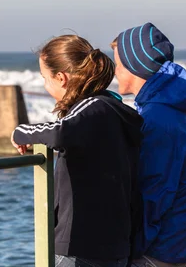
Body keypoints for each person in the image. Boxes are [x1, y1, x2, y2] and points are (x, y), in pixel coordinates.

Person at [10, 35, 143, 267]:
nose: (45, 84)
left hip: (79, 245)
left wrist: (21, 132)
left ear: (61, 78)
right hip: (114, 244)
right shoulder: (113, 109)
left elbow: (59, 132)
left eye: (44, 78)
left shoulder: (92, 107)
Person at [111, 22, 186, 267]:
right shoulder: (182, 103)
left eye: (117, 64)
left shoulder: (157, 117)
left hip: (158, 253)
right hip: (183, 243)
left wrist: (131, 250)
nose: (114, 71)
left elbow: (154, 192)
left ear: (134, 65)